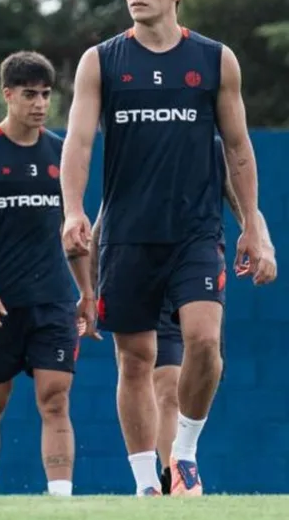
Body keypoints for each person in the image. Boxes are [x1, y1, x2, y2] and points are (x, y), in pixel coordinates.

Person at [60, 0, 277, 497]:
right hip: (127, 237)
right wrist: (73, 209)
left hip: (196, 232)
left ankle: (183, 454)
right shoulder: (101, 61)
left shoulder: (214, 60)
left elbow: (238, 147)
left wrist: (254, 222)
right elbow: (79, 143)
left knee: (205, 345)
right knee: (134, 362)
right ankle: (145, 487)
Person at [0, 51, 95, 498]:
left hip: (52, 301)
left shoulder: (62, 154)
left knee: (55, 398)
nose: (39, 104)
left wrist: (88, 292)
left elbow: (72, 232)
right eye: (29, 94)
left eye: (46, 95)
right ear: (8, 94)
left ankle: (59, 501)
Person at [89, 134, 258, 495]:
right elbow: (102, 223)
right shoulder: (136, 146)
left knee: (202, 358)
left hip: (192, 273)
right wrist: (88, 293)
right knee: (164, 384)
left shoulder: (211, 147)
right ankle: (165, 482)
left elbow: (244, 203)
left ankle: (182, 459)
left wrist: (262, 240)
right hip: (143, 272)